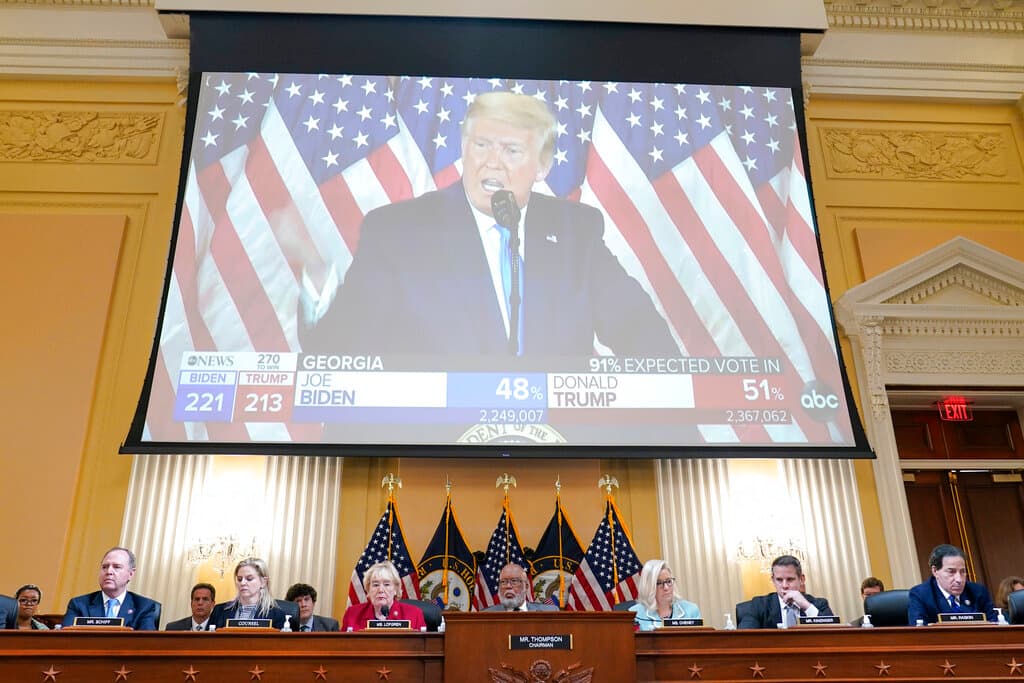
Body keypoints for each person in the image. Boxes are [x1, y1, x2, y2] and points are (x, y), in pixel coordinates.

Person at [298, 90, 678, 359]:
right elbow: (339, 349)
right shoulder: (400, 231)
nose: (491, 162)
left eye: (511, 151)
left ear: (542, 166)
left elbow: (641, 333)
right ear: (464, 149)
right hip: (437, 451)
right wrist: (318, 281)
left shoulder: (574, 231)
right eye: (481, 146)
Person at [61, 547, 161, 630]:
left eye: (117, 567)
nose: (109, 571)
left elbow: (146, 645)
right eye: (104, 567)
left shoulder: (144, 607)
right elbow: (66, 641)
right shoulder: (79, 605)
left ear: (131, 573)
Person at [737, 555, 833, 629]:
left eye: (790, 579)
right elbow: (744, 638)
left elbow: (833, 633)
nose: (784, 585)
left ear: (801, 579)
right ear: (773, 580)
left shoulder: (819, 604)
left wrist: (805, 605)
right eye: (779, 580)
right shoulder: (758, 605)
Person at [908, 544, 996, 625]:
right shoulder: (921, 595)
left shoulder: (978, 592)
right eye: (951, 572)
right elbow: (919, 631)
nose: (959, 579)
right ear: (935, 571)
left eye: (962, 572)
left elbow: (995, 625)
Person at [209, 558, 298, 630]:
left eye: (249, 578)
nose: (243, 583)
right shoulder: (219, 611)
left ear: (263, 582)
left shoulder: (278, 616)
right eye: (239, 579)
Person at [341, 560, 426, 632]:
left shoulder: (414, 614)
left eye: (386, 584)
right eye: (375, 585)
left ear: (396, 589)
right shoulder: (352, 614)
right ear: (368, 589)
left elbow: (422, 648)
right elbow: (342, 647)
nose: (381, 590)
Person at [628, 559, 700, 631]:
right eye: (659, 583)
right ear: (648, 587)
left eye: (669, 581)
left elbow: (699, 640)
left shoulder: (691, 610)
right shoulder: (634, 615)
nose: (666, 587)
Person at [483, 563, 558, 612]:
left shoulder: (550, 612)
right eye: (503, 582)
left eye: (514, 581)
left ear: (526, 586)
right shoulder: (486, 615)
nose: (508, 586)